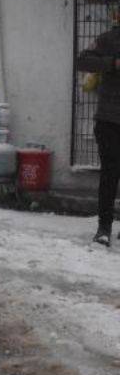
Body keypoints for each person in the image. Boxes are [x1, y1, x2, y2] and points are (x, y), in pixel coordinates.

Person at [77, 13, 120, 247]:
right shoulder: (109, 40)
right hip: (109, 120)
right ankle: (104, 228)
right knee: (110, 174)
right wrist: (112, 63)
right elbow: (82, 60)